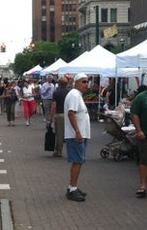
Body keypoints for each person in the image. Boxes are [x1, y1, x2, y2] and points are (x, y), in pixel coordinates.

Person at [64, 73, 91, 202]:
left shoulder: (77, 95)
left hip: (79, 134)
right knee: (77, 161)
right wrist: (78, 132)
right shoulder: (74, 95)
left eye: (87, 82)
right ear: (76, 83)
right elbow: (71, 113)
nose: (86, 84)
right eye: (83, 82)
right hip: (76, 135)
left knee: (79, 161)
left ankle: (72, 187)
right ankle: (72, 189)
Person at [48, 76, 71, 157]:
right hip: (69, 114)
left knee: (59, 134)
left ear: (59, 83)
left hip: (59, 114)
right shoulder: (70, 92)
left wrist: (50, 119)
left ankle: (59, 151)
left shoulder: (56, 93)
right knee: (69, 134)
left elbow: (54, 106)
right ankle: (70, 151)